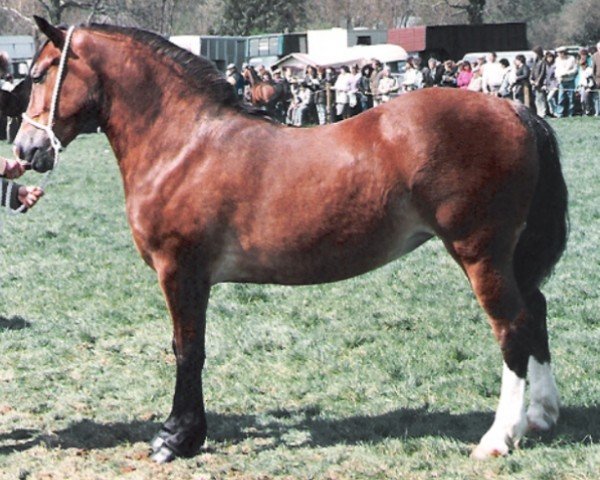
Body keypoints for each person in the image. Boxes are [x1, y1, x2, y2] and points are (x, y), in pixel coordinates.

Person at [555, 46, 578, 117]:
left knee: (571, 98)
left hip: (570, 80)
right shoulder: (557, 60)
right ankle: (560, 113)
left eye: (560, 53)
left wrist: (567, 73)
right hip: (561, 81)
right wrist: (558, 76)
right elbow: (556, 70)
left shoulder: (571, 59)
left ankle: (571, 113)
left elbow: (575, 70)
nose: (558, 54)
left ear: (563, 53)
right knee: (561, 98)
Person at [530, 46, 548, 117]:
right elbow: (532, 71)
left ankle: (542, 112)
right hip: (534, 83)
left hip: (540, 83)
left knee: (541, 98)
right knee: (536, 98)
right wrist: (531, 79)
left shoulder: (543, 61)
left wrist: (538, 81)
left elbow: (542, 72)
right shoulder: (535, 61)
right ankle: (538, 112)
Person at [593, 42, 600, 116]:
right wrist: (595, 80)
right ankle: (597, 112)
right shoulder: (594, 56)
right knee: (597, 97)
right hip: (598, 80)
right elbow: (593, 70)